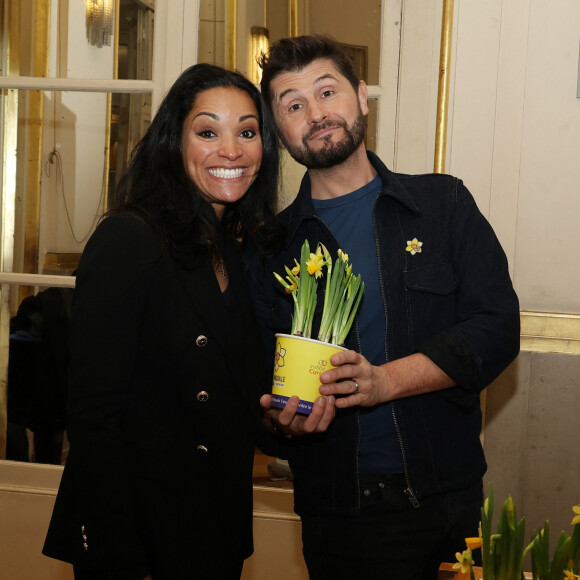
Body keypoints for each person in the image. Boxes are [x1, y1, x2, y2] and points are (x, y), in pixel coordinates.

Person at [244, 35, 520, 580]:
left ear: (362, 96)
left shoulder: (443, 206)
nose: (316, 114)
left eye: (328, 92)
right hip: (341, 515)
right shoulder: (268, 249)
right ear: (280, 132)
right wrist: (283, 422)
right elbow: (253, 386)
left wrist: (384, 382)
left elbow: (497, 327)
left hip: (445, 497)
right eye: (293, 105)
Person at [42, 63, 279, 580]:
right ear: (175, 142)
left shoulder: (235, 254)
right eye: (208, 131)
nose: (232, 150)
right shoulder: (130, 240)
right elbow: (93, 419)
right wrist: (125, 557)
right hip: (140, 541)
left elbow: (234, 396)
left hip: (213, 533)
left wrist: (288, 418)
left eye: (247, 131)